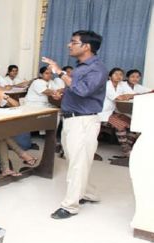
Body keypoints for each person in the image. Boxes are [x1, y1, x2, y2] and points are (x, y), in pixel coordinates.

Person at [42, 30, 108, 219]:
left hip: (84, 121)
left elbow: (82, 90)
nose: (69, 45)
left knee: (78, 164)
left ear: (86, 46)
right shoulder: (81, 67)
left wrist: (60, 72)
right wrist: (62, 92)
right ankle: (88, 193)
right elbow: (75, 88)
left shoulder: (97, 68)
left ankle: (70, 206)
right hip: (71, 119)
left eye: (73, 42)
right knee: (76, 160)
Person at [98, 68, 137, 157]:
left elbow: (133, 94)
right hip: (102, 113)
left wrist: (127, 95)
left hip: (113, 112)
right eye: (116, 74)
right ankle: (126, 151)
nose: (119, 76)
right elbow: (118, 98)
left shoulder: (122, 84)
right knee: (120, 125)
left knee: (133, 124)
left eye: (121, 74)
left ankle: (129, 148)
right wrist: (125, 96)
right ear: (110, 76)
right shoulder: (106, 85)